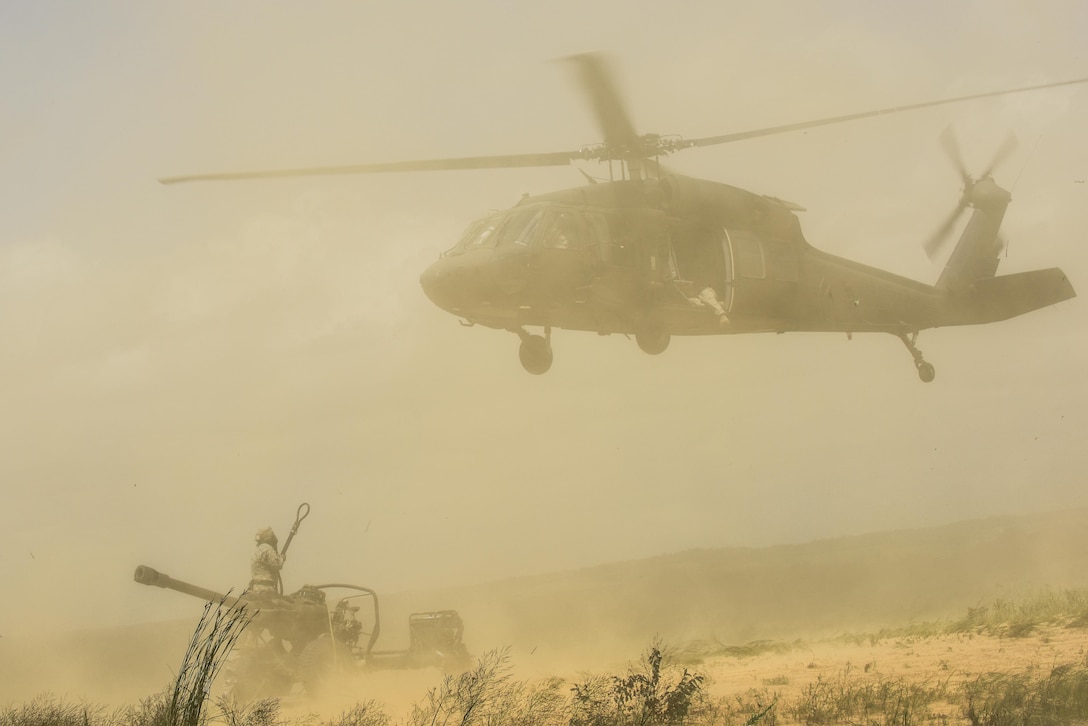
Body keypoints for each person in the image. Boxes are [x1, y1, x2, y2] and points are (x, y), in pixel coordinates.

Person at [249, 526, 285, 595]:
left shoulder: (257, 549)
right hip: (266, 588)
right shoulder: (268, 548)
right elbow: (276, 566)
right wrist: (282, 559)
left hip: (256, 587)